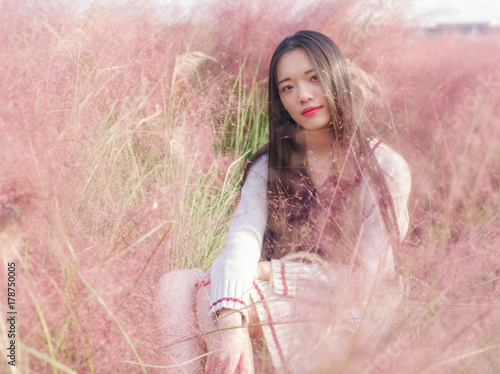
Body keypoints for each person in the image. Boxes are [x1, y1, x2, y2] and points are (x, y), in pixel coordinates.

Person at [157, 30, 411, 373]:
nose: (303, 95)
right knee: (175, 285)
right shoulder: (270, 165)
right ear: (279, 99)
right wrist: (230, 319)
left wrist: (269, 273)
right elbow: (242, 240)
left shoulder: (384, 168)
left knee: (208, 298)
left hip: (353, 307)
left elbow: (368, 281)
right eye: (287, 87)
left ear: (336, 76)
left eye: (314, 78)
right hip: (283, 292)